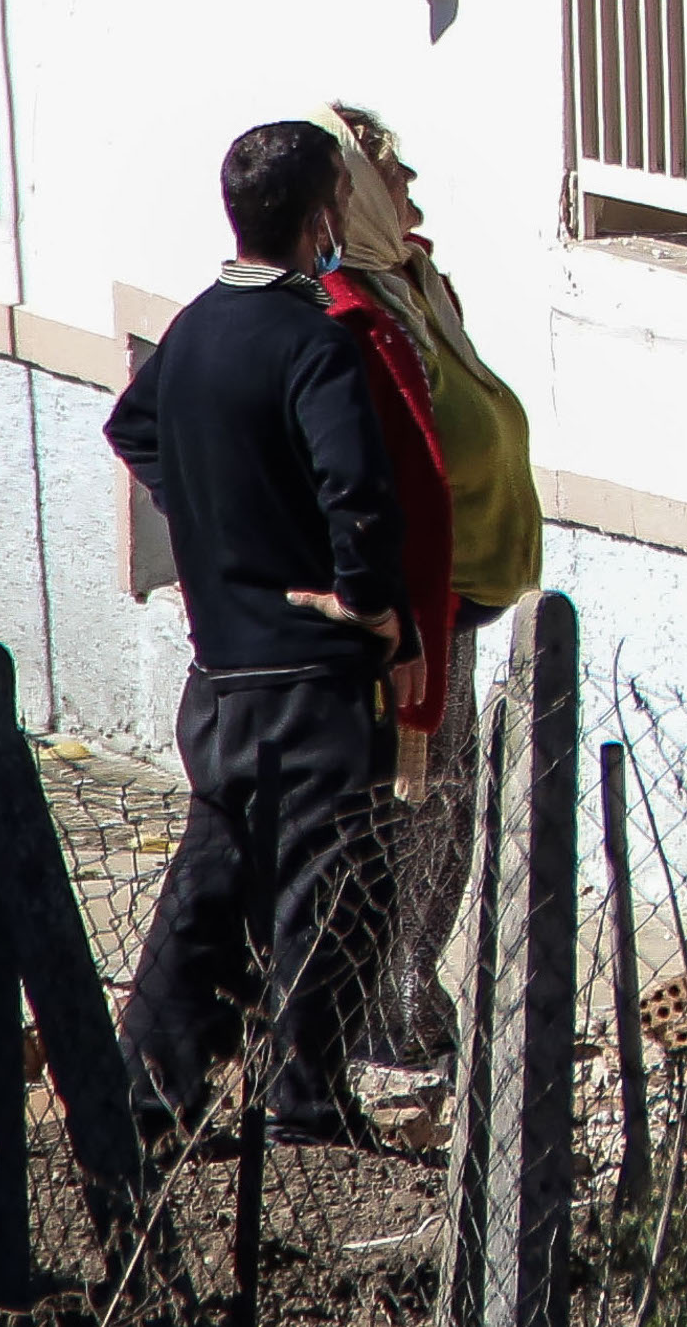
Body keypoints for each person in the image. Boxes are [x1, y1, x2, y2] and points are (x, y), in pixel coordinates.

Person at [105, 120, 406, 1146]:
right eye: (340, 205)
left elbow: (133, 425)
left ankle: (151, 1092)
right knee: (326, 885)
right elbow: (357, 491)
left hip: (223, 666)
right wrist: (367, 599)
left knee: (214, 875)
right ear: (320, 218)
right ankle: (305, 1099)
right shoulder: (313, 340)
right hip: (310, 672)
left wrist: (210, 516)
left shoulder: (195, 328)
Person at [311, 107, 544, 1066]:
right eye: (393, 174)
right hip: (406, 605)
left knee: (446, 800)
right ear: (358, 195)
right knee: (408, 803)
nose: (410, 188)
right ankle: (383, 1002)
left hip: (461, 591)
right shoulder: (339, 306)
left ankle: (410, 984)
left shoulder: (413, 282)